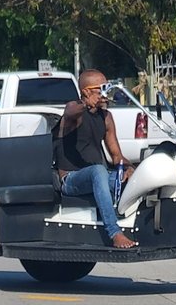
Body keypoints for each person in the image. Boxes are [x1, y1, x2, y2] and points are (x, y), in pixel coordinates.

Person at [53, 69, 137, 249]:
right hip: (71, 179)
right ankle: (114, 232)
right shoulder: (74, 113)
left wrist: (130, 169)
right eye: (102, 89)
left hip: (99, 178)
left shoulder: (106, 117)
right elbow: (69, 111)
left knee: (138, 178)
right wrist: (85, 104)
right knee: (98, 171)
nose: (106, 93)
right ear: (86, 91)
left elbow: (116, 156)